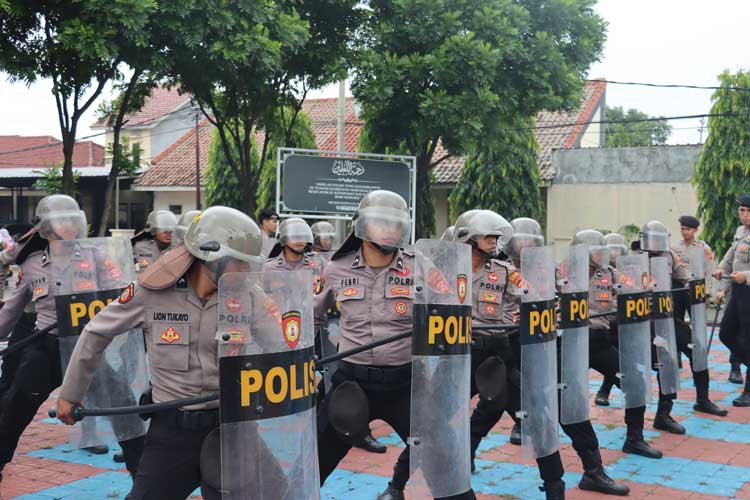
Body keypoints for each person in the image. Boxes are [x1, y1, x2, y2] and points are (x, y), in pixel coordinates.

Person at [55, 206, 263, 500]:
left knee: (279, 493)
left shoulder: (249, 294)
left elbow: (284, 342)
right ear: (213, 258)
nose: (246, 272)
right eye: (240, 263)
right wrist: (70, 394)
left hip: (233, 428)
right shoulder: (151, 291)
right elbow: (96, 332)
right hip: (173, 433)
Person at [314, 190, 477, 500]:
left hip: (407, 385)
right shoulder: (336, 269)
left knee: (449, 472)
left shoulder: (420, 265)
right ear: (363, 226)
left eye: (396, 223)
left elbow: (449, 307)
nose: (391, 230)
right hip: (351, 383)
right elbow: (311, 316)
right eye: (383, 223)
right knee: (308, 470)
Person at [467, 218, 628, 499]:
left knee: (566, 406)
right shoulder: (495, 267)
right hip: (507, 349)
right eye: (523, 240)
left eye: (533, 240)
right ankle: (464, 456)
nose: (528, 246)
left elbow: (570, 293)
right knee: (493, 405)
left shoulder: (548, 268)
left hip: (543, 345)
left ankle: (593, 471)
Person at [0, 194, 145, 490]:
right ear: (46, 228)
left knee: (125, 410)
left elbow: (120, 294)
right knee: (13, 409)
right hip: (46, 349)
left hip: (87, 350)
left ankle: (143, 477)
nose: (71, 225)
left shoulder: (96, 257)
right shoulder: (32, 265)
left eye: (73, 218)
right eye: (63, 220)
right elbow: (11, 311)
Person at [576, 229, 663, 459]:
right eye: (596, 251)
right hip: (568, 343)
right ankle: (522, 427)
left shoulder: (611, 274)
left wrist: (647, 286)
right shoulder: (562, 272)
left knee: (634, 382)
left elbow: (636, 287)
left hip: (597, 341)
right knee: (543, 390)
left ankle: (634, 439)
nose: (601, 256)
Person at [715, 195, 750, 405]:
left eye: (748, 211)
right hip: (738, 292)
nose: (745, 216)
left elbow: (743, 270)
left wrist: (746, 276)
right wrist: (721, 270)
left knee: (748, 339)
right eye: (742, 211)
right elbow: (731, 256)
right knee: (726, 333)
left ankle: (748, 391)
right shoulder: (740, 232)